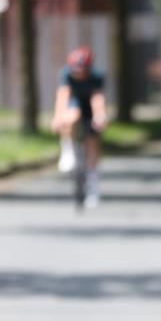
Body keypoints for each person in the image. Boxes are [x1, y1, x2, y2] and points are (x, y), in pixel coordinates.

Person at [51, 46, 107, 208]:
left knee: (93, 142)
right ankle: (67, 148)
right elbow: (63, 96)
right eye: (76, 70)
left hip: (89, 105)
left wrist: (100, 116)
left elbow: (98, 99)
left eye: (83, 70)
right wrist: (58, 117)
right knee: (70, 116)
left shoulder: (97, 77)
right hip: (74, 102)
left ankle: (93, 186)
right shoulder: (66, 74)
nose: (79, 74)